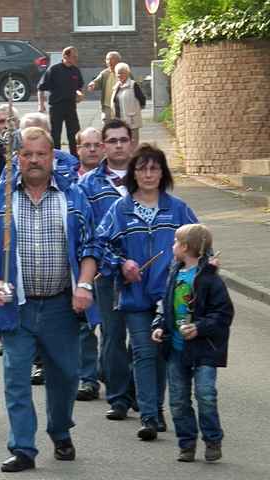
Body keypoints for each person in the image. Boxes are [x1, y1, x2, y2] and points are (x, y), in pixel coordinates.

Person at [0, 127, 100, 472]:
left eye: (41, 154)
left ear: (53, 157)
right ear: (18, 158)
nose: (34, 160)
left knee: (66, 374)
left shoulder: (72, 197)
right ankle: (23, 448)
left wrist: (84, 285)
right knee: (15, 378)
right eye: (27, 154)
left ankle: (60, 430)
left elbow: (91, 247)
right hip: (17, 306)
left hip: (61, 304)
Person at [96, 144, 198, 441]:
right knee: (143, 351)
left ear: (163, 172)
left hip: (170, 297)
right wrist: (122, 262)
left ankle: (154, 408)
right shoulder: (121, 208)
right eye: (142, 168)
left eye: (154, 168)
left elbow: (198, 242)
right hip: (135, 295)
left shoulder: (177, 208)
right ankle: (150, 416)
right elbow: (101, 245)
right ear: (134, 173)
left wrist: (199, 264)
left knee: (160, 353)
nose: (149, 174)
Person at [152, 224, 233, 463]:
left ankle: (212, 439)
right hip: (176, 348)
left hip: (204, 349)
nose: (172, 246)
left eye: (176, 242)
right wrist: (158, 326)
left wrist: (199, 327)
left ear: (186, 248)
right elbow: (164, 305)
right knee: (178, 398)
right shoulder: (174, 273)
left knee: (206, 394)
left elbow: (223, 313)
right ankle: (186, 443)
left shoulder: (210, 279)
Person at [78, 119, 136, 418]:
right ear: (103, 146)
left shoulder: (147, 176)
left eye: (122, 140)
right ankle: (119, 398)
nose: (117, 145)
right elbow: (86, 231)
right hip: (107, 273)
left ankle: (137, 388)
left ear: (131, 142)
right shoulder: (88, 184)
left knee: (142, 336)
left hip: (144, 273)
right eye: (111, 141)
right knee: (113, 334)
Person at [73, 126, 103, 401]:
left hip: (110, 265)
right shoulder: (69, 184)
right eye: (87, 145)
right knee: (83, 326)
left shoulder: (116, 182)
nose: (92, 149)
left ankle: (108, 368)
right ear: (77, 149)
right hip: (80, 263)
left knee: (113, 327)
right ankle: (88, 378)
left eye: (97, 144)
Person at [38, 46, 83, 157]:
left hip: (71, 106)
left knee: (74, 133)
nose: (75, 59)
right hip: (56, 106)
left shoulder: (75, 70)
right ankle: (55, 158)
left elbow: (79, 87)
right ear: (65, 56)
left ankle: (75, 157)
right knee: (55, 134)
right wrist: (41, 104)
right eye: (73, 57)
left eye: (76, 57)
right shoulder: (54, 69)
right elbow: (41, 87)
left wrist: (79, 94)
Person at [111, 63, 146, 145]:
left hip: (131, 120)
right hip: (119, 120)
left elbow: (142, 99)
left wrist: (136, 110)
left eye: (122, 72)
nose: (120, 75)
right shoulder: (116, 87)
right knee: (122, 143)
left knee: (133, 143)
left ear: (127, 73)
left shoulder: (133, 85)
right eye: (118, 73)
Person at [87, 51, 122, 124]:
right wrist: (92, 84)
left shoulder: (124, 71)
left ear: (118, 61)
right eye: (107, 59)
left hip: (121, 106)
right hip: (107, 106)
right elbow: (97, 81)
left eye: (112, 59)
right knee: (107, 127)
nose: (109, 61)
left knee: (120, 127)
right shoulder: (104, 73)